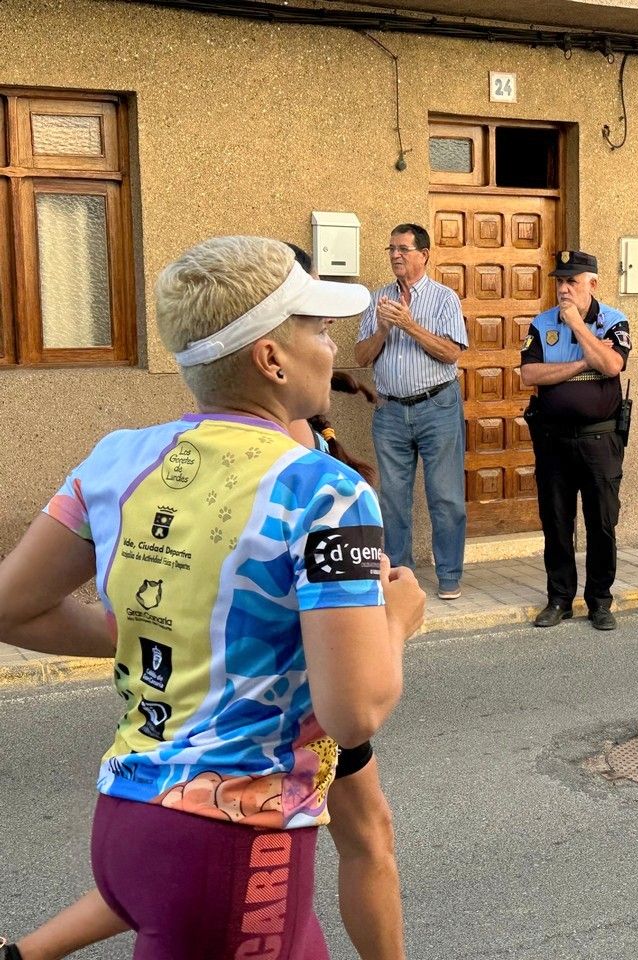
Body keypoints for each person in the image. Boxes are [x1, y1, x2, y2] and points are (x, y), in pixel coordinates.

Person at [0, 236, 424, 958]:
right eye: (319, 329)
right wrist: (396, 619)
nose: (332, 347)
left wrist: (163, 627)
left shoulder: (118, 457)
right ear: (271, 358)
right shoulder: (326, 490)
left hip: (128, 818)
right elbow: (354, 713)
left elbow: (12, 606)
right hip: (235, 842)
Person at [518, 250, 631, 631]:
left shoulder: (613, 321)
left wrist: (579, 327)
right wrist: (584, 362)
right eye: (560, 282)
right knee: (556, 522)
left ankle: (600, 601)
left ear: (592, 284)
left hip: (600, 440)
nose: (564, 289)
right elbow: (530, 374)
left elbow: (612, 365)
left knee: (602, 523)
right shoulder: (541, 324)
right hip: (554, 440)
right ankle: (560, 599)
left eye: (572, 282)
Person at [356, 223, 468, 601]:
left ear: (424, 254)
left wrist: (409, 325)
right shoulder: (378, 299)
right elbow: (361, 357)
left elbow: (452, 353)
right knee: (392, 498)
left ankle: (449, 575)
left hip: (437, 406)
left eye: (403, 249)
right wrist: (383, 329)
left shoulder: (444, 298)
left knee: (445, 495)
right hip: (390, 411)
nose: (395, 255)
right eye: (391, 249)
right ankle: (400, 574)